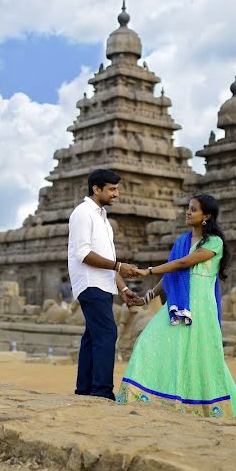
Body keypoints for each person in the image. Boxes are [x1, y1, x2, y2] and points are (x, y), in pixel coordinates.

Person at [117, 194, 236, 418]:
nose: (188, 212)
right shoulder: (181, 242)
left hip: (201, 306)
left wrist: (147, 271)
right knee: (150, 341)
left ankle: (206, 406)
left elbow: (183, 263)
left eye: (193, 209)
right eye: (188, 208)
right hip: (178, 304)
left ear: (206, 216)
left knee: (200, 354)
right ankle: (149, 397)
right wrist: (147, 298)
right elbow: (172, 276)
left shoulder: (214, 242)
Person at [68, 168, 140, 400]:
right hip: (90, 284)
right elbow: (83, 253)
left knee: (93, 336)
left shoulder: (102, 217)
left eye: (117, 189)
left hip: (104, 284)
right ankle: (101, 391)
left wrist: (123, 288)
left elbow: (107, 257)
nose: (116, 194)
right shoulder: (83, 213)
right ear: (96, 189)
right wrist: (119, 267)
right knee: (107, 333)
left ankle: (86, 390)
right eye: (111, 189)